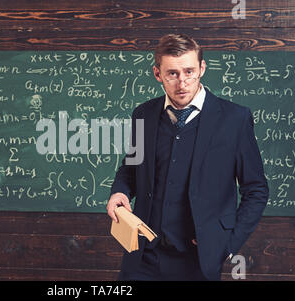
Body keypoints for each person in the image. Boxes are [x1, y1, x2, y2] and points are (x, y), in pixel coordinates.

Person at [107, 34, 269, 281]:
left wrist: (226, 245)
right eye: (172, 73)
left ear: (202, 69)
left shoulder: (234, 119)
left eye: (189, 71)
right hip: (143, 257)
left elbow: (256, 189)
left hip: (199, 261)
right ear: (157, 74)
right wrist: (119, 191)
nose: (182, 82)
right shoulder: (144, 114)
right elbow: (131, 167)